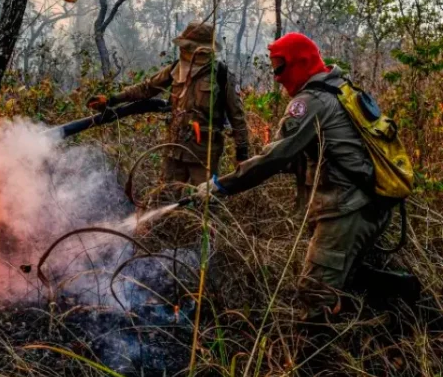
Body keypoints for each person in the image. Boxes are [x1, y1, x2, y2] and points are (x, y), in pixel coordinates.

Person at [193, 32, 395, 320]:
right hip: (366, 204)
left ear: (299, 63)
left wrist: (219, 186)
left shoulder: (311, 101)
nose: (275, 78)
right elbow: (302, 156)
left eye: (279, 68)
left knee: (314, 292)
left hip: (347, 209)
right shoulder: (341, 88)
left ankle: (315, 362)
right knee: (350, 280)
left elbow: (274, 159)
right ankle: (388, 322)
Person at [86, 21, 249, 185]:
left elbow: (237, 116)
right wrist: (112, 100)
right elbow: (146, 88)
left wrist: (242, 153)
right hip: (174, 147)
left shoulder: (221, 74)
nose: (184, 50)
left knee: (205, 200)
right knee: (165, 195)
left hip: (204, 153)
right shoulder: (176, 68)